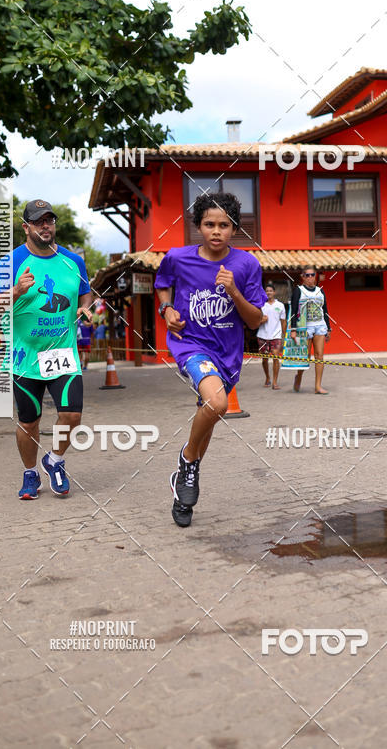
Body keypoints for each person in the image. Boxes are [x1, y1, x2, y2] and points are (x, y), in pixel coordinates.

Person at [155, 192, 267, 528]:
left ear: (234, 228)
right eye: (209, 224)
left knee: (208, 414)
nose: (216, 231)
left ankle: (183, 489)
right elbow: (163, 286)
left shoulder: (247, 265)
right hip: (190, 344)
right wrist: (167, 309)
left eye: (224, 225)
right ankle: (187, 462)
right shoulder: (178, 257)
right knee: (217, 404)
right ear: (198, 227)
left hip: (227, 354)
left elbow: (254, 320)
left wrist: (234, 291)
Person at [0, 199, 92, 500]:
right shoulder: (11, 263)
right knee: (29, 421)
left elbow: (85, 295)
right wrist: (17, 291)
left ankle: (55, 460)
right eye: (38, 221)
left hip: (62, 354)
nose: (45, 226)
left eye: (49, 220)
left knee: (72, 416)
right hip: (25, 358)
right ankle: (30, 472)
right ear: (26, 227)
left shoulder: (74, 261)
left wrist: (85, 309)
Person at [289, 266, 331, 394]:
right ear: (303, 277)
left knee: (319, 356)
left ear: (316, 276)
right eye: (307, 275)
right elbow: (294, 310)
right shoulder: (299, 290)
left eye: (312, 275)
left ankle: (318, 386)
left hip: (319, 325)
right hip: (305, 327)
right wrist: (293, 329)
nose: (310, 277)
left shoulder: (320, 291)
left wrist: (328, 328)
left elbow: (325, 311)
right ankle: (299, 376)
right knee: (305, 356)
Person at [257, 282, 287, 389]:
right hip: (262, 335)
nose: (269, 292)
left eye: (270, 290)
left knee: (275, 357)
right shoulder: (260, 305)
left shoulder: (280, 305)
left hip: (276, 335)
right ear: (264, 293)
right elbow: (254, 320)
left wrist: (284, 335)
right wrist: (261, 320)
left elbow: (283, 321)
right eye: (267, 291)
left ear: (274, 292)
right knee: (264, 359)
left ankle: (275, 382)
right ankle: (267, 378)